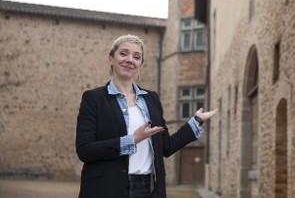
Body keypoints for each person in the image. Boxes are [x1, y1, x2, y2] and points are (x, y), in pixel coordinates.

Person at [75, 34, 218, 198]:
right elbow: (84, 150)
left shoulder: (151, 99)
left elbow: (166, 147)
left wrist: (196, 121)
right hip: (106, 188)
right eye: (123, 53)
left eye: (137, 57)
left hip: (147, 189)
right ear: (111, 59)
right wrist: (132, 140)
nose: (130, 59)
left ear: (140, 65)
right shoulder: (94, 98)